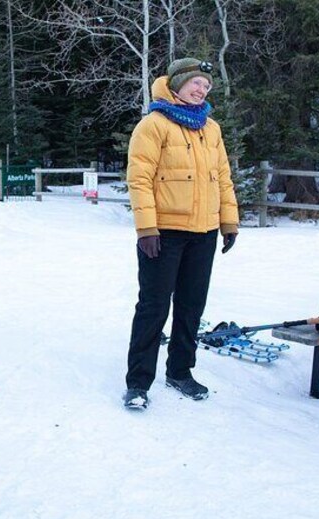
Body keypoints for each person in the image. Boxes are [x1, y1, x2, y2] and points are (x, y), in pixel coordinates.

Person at [123, 57, 240, 410]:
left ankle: (180, 372)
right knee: (153, 307)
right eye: (196, 83)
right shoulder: (153, 124)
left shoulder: (212, 129)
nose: (201, 89)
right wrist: (146, 227)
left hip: (203, 233)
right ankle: (138, 383)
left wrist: (229, 222)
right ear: (176, 84)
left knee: (191, 307)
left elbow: (222, 177)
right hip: (164, 234)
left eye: (206, 86)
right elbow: (139, 178)